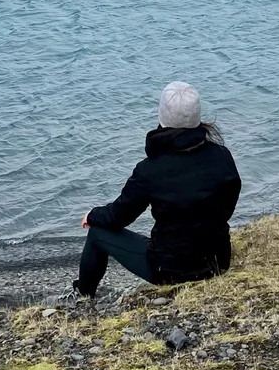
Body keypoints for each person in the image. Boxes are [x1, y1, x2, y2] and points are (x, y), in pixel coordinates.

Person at [74, 81, 242, 299]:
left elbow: (118, 216)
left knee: (98, 232)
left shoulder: (150, 170)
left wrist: (93, 215)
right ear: (198, 116)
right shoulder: (222, 155)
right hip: (218, 262)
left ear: (162, 118)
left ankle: (82, 295)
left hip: (170, 270)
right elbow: (229, 202)